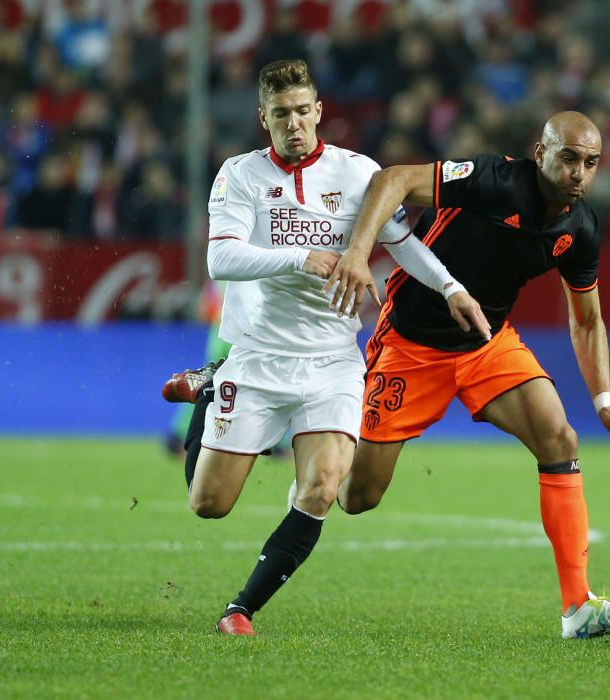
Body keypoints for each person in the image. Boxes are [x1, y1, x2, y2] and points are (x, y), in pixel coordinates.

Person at [162, 59, 489, 637]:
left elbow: (402, 242)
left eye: (301, 111)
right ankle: (210, 388)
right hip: (259, 356)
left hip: (333, 360)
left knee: (321, 487)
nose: (293, 124)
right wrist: (301, 257)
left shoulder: (357, 172)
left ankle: (241, 610)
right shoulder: (239, 175)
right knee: (208, 503)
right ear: (264, 118)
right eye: (280, 114)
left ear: (318, 111)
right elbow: (221, 259)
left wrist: (451, 287)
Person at [326, 111, 610, 639]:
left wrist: (605, 401)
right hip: (412, 345)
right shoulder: (493, 180)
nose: (579, 173)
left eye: (591, 163)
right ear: (540, 153)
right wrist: (359, 253)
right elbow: (393, 179)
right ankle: (313, 447)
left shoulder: (580, 228)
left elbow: (587, 321)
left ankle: (578, 608)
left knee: (559, 438)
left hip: (486, 343)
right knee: (357, 497)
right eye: (569, 158)